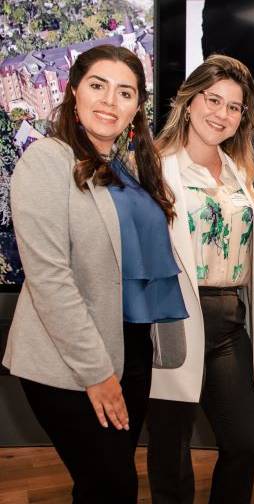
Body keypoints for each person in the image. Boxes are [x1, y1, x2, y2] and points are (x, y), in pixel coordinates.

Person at [2, 45, 186, 503]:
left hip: (131, 349)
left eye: (125, 93)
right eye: (98, 86)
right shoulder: (46, 160)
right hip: (70, 359)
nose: (110, 101)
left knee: (105, 482)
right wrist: (97, 373)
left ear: (137, 108)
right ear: (74, 92)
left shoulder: (128, 170)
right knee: (113, 485)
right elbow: (50, 279)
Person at [145, 55, 254, 504]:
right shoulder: (156, 168)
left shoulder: (239, 172)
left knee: (246, 443)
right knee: (171, 451)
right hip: (173, 319)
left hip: (230, 322)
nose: (222, 113)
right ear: (189, 103)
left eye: (234, 107)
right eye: (213, 100)